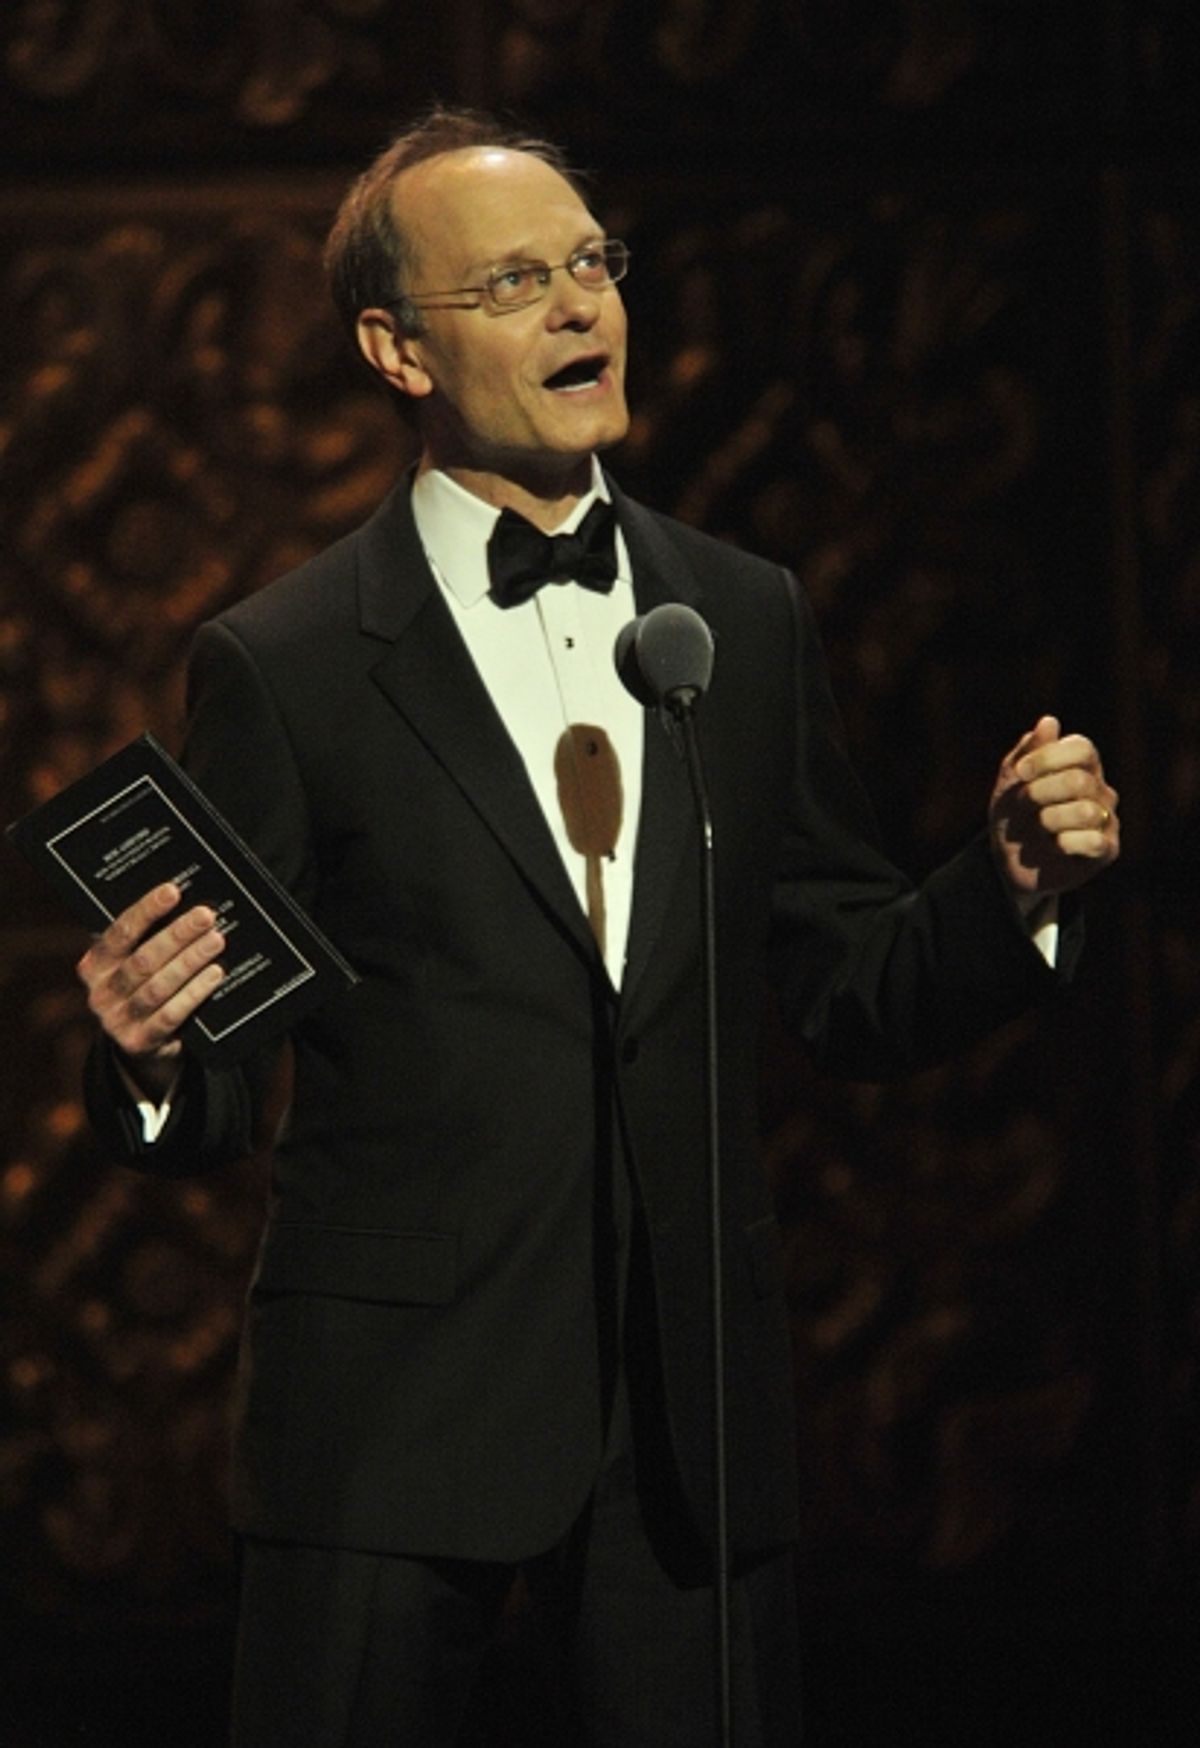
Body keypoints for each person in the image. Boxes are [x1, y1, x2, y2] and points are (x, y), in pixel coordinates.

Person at [75, 106, 1120, 1747]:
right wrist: (145, 1055)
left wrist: (1007, 895)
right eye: (513, 283)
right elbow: (215, 1077)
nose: (580, 306)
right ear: (394, 347)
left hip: (685, 1418)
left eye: (590, 263)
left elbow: (846, 985)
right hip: (392, 1425)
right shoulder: (283, 667)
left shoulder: (746, 616)